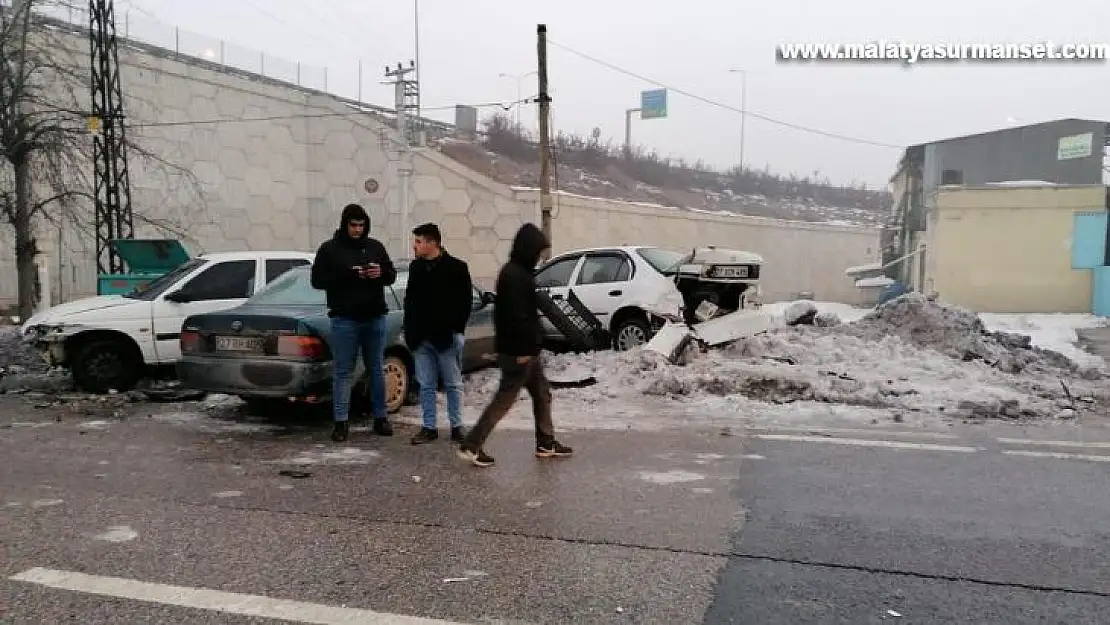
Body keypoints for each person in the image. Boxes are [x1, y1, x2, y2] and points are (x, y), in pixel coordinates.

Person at [458, 222, 573, 467]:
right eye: (539, 252)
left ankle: (545, 442)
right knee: (504, 400)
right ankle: (472, 445)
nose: (541, 257)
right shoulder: (514, 276)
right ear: (528, 249)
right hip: (519, 352)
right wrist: (522, 350)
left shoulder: (518, 273)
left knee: (542, 393)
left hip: (526, 350)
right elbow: (515, 318)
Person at [310, 203, 397, 442]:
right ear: (344, 224)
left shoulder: (375, 247)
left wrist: (380, 273)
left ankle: (380, 418)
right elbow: (317, 280)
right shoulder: (329, 249)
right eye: (353, 225)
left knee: (377, 369)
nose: (357, 229)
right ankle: (341, 422)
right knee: (343, 372)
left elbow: (391, 274)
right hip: (344, 319)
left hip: (374, 317)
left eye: (361, 225)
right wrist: (348, 274)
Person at [403, 222, 473, 445]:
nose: (414, 246)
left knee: (453, 384)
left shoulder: (456, 267)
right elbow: (410, 301)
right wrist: (410, 331)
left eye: (418, 241)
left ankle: (456, 427)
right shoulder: (416, 268)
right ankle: (429, 427)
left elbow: (465, 303)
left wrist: (457, 331)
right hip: (420, 338)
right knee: (426, 385)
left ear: (432, 243)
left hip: (446, 337)